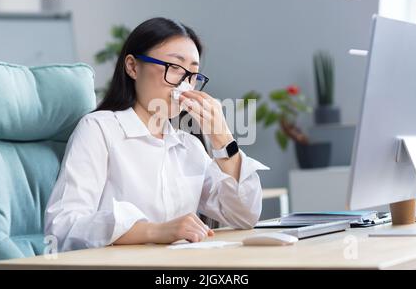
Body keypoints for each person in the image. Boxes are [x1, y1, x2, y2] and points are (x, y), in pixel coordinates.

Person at [44, 17, 269, 252]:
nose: (184, 85)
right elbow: (62, 227)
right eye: (174, 68)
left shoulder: (188, 145)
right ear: (132, 67)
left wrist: (223, 138)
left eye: (192, 75)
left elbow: (245, 216)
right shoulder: (100, 129)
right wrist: (155, 230)